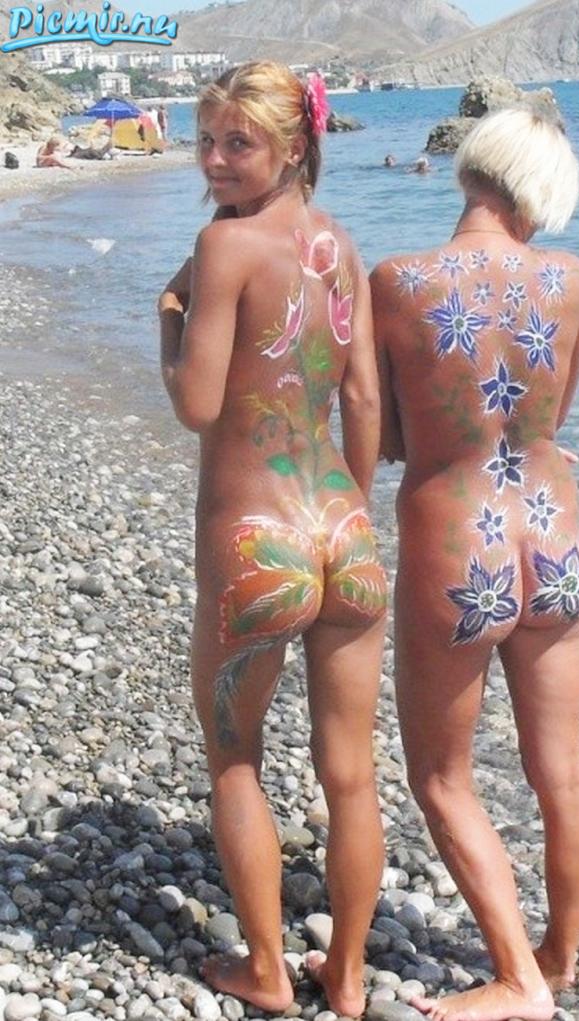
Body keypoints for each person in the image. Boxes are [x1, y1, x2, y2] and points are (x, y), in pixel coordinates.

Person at [158, 61, 387, 1016]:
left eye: (237, 143)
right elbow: (364, 400)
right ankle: (348, 975)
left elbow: (196, 403)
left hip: (256, 544)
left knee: (236, 758)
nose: (214, 159)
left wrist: (167, 321)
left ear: (294, 146)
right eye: (206, 140)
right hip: (344, 530)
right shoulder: (340, 244)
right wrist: (356, 505)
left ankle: (266, 968)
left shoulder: (225, 247)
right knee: (351, 773)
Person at [370, 105, 579, 1021]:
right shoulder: (569, 278)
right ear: (539, 193)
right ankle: (561, 954)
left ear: (469, 169)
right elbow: (552, 416)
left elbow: (388, 436)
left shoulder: (398, 280)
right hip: (555, 540)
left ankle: (517, 978)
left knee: (442, 776)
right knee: (563, 768)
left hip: (458, 545)